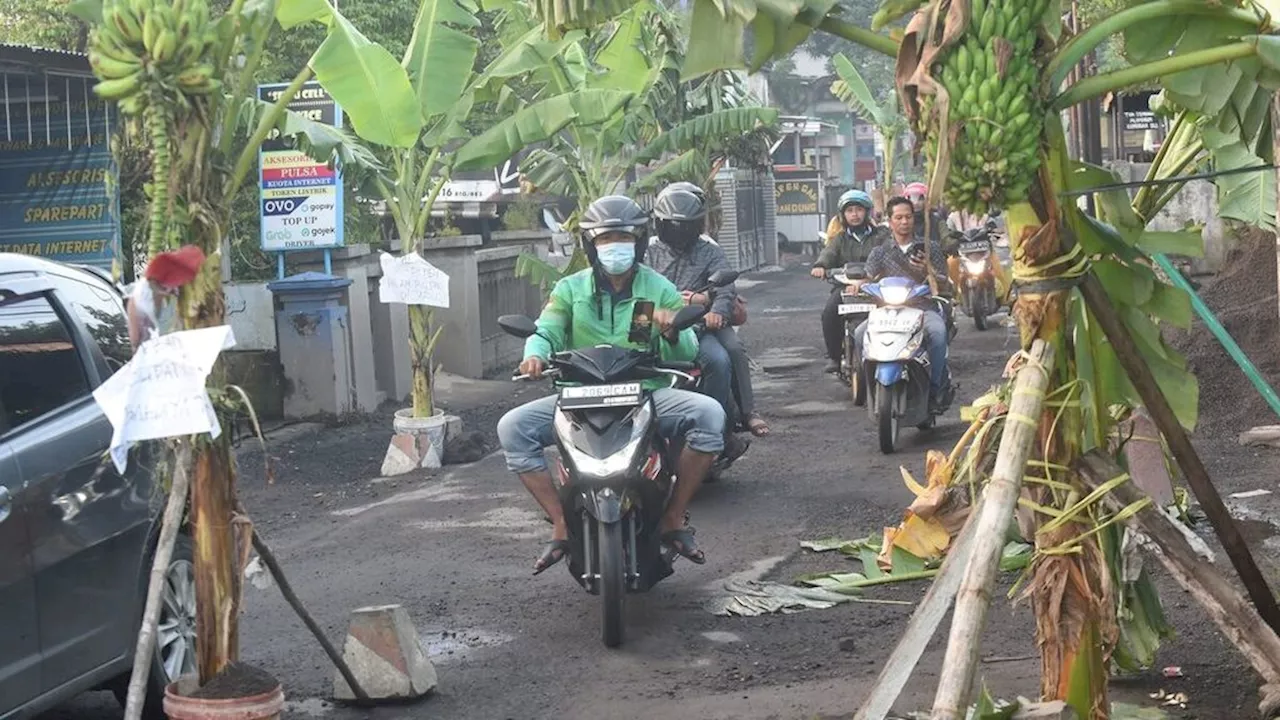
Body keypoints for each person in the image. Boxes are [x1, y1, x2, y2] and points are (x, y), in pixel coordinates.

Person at [497, 195, 725, 573]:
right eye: (605, 239)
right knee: (513, 428)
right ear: (591, 244)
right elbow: (546, 329)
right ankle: (559, 521)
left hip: (645, 393)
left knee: (710, 416)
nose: (613, 246)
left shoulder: (658, 289)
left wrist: (670, 332)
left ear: (638, 242)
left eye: (623, 238)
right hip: (577, 395)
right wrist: (534, 355)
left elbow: (688, 348)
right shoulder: (570, 290)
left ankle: (673, 515)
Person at [648, 184, 764, 444]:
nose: (679, 233)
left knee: (721, 360)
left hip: (697, 327)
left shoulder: (709, 250)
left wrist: (717, 312)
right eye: (673, 226)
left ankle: (716, 427)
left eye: (685, 226)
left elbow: (724, 286)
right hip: (652, 326)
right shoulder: (647, 252)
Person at [856, 196, 953, 413]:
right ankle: (867, 388)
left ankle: (936, 390)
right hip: (887, 311)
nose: (904, 222)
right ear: (890, 221)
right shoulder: (880, 251)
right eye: (898, 217)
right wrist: (858, 284)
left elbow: (945, 280)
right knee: (860, 334)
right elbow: (867, 276)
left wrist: (928, 270)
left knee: (937, 334)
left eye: (908, 217)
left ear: (914, 220)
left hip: (922, 308)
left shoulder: (931, 248)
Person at [810, 189, 889, 373]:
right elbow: (828, 254)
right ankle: (834, 357)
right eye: (850, 210)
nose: (854, 214)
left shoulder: (881, 235)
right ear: (843, 215)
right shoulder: (840, 239)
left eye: (859, 209)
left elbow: (890, 253)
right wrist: (821, 266)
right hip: (845, 287)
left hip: (877, 286)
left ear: (867, 212)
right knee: (829, 313)